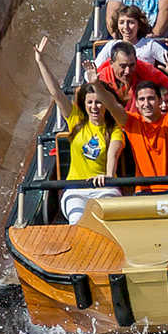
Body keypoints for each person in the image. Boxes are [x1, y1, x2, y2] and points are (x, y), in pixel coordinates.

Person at [34, 36, 120, 224]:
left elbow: (113, 155)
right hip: (76, 189)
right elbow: (56, 93)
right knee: (78, 222)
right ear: (84, 104)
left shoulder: (113, 129)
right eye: (90, 103)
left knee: (103, 221)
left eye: (99, 102)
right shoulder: (76, 120)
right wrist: (41, 62)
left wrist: (108, 176)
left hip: (105, 187)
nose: (95, 107)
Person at [90, 48, 168, 194]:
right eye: (142, 99)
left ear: (160, 101)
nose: (146, 103)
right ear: (136, 103)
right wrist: (96, 85)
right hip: (144, 191)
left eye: (151, 99)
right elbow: (111, 104)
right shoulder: (132, 122)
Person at [95, 4, 168, 70]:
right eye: (121, 22)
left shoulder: (150, 45)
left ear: (139, 25)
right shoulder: (111, 46)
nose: (126, 27)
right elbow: (93, 70)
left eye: (131, 22)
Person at [95, 41, 168, 108]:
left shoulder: (146, 70)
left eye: (132, 65)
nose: (127, 71)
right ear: (111, 63)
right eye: (123, 66)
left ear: (136, 61)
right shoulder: (101, 78)